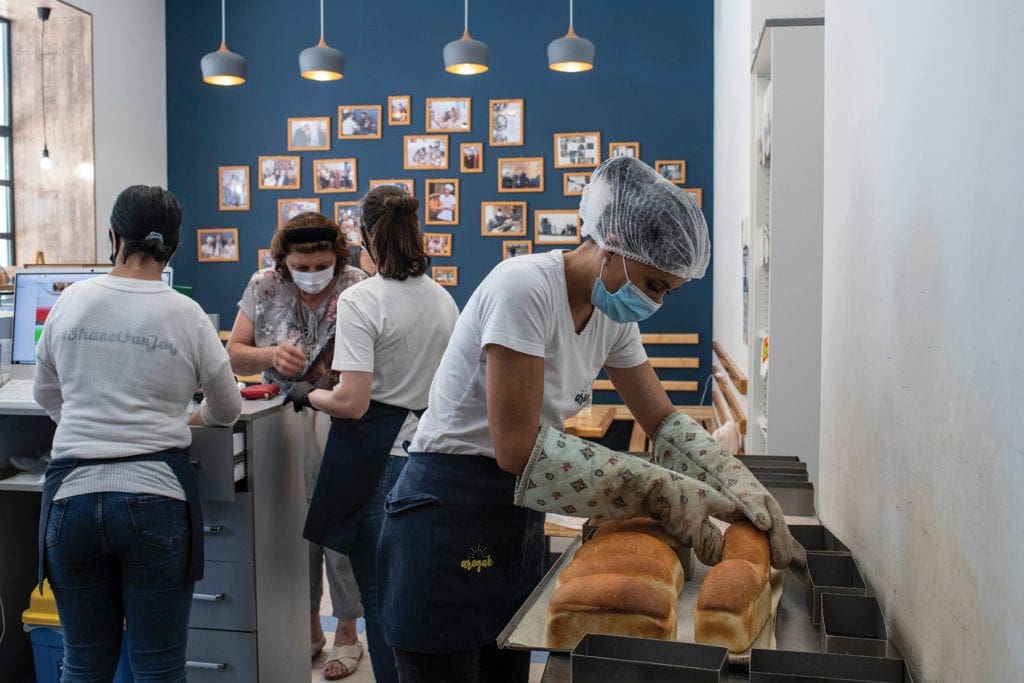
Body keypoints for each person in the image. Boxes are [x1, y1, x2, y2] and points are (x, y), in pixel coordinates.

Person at [376, 157, 803, 681]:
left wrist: (739, 485)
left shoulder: (610, 314)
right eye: (653, 282)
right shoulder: (523, 289)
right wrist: (655, 489)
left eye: (666, 290)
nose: (655, 301)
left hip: (516, 507)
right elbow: (516, 446)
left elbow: (662, 418)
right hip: (448, 508)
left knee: (506, 667)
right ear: (613, 245)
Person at [34, 185, 242, 681]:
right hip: (156, 499)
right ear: (174, 245)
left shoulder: (71, 301)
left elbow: (46, 394)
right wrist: (185, 420)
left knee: (83, 660)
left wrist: (90, 427)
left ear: (114, 235)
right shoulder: (187, 315)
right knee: (158, 665)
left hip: (70, 504)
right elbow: (227, 407)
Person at [285, 185, 460, 683]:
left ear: (362, 235)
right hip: (428, 459)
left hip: (375, 464)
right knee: (415, 597)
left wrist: (306, 394)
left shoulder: (361, 300)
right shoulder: (442, 298)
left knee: (380, 602)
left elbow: (352, 402)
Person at [225, 212, 369, 680]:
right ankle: (306, 627)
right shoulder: (264, 286)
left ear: (337, 257)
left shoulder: (356, 285)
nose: (311, 274)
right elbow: (234, 350)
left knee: (340, 525)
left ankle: (348, 631)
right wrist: (269, 356)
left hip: (341, 416)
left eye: (321, 264)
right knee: (293, 526)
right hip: (280, 419)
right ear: (283, 262)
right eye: (301, 266)